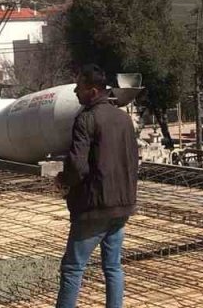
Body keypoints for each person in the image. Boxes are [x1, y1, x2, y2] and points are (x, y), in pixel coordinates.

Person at [54, 64, 139, 308]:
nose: (74, 91)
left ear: (92, 91)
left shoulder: (86, 119)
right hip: (122, 205)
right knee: (113, 266)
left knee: (72, 268)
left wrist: (63, 181)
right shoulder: (123, 118)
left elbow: (77, 165)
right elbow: (133, 160)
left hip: (95, 207)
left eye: (79, 86)